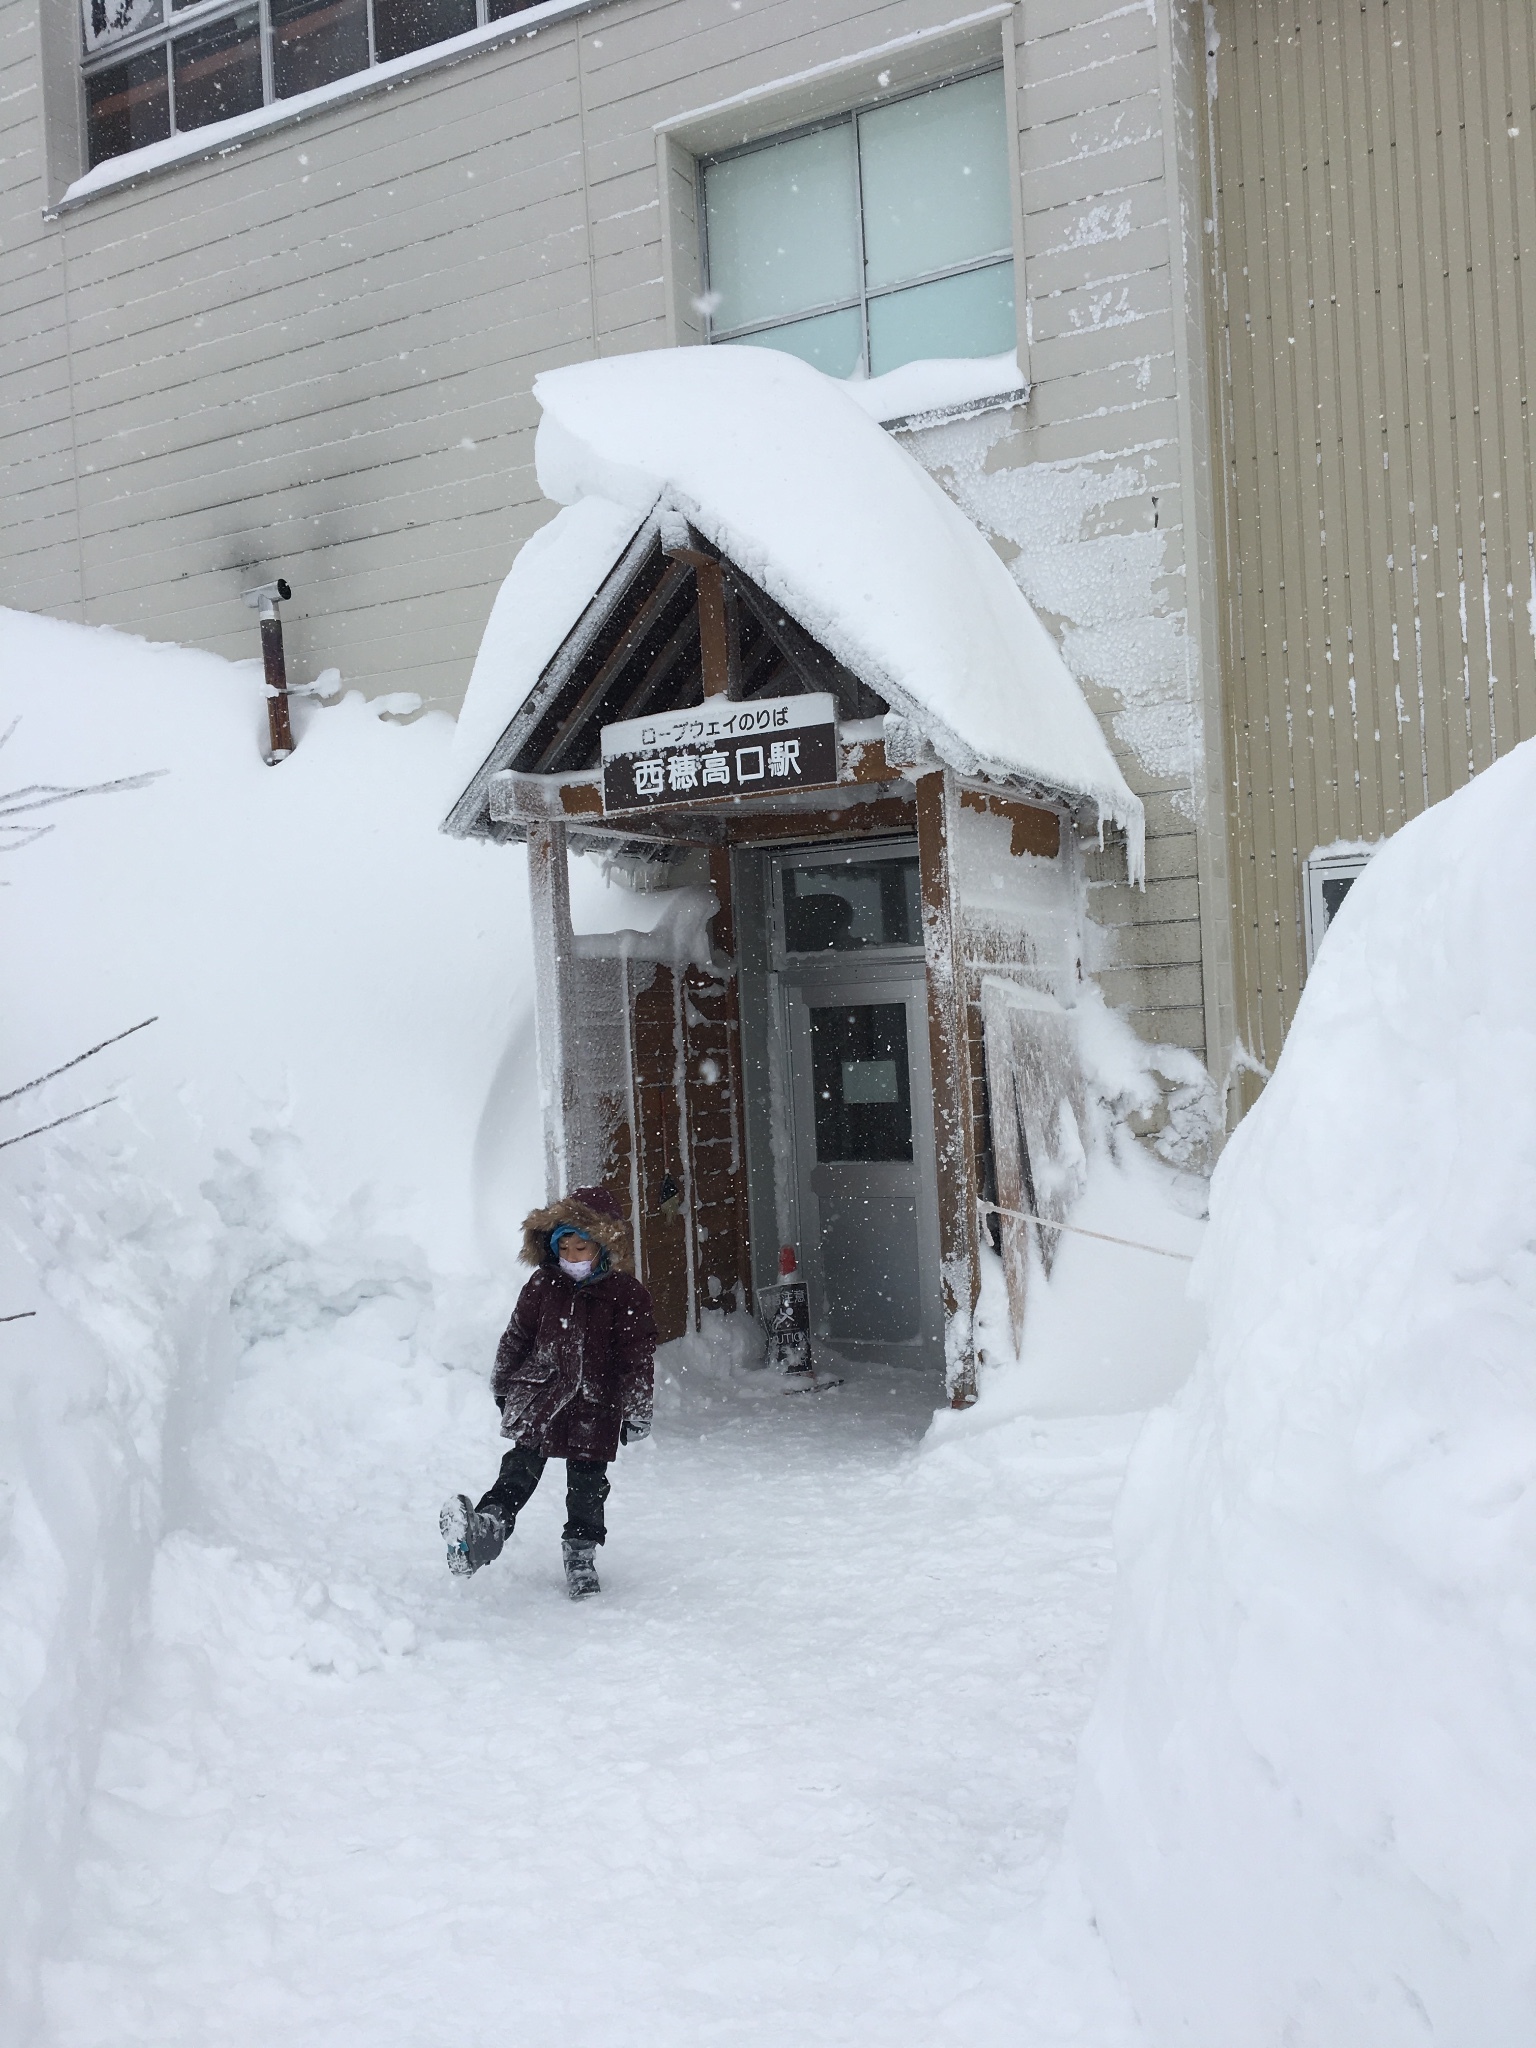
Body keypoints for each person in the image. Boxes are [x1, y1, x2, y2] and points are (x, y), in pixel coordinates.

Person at [440, 1186, 656, 1599]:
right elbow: (517, 1336)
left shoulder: (626, 1295)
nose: (573, 1258)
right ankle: (486, 1529)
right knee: (518, 1469)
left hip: (597, 1402)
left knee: (588, 1485)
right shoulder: (542, 1285)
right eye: (566, 1249)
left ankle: (580, 1554)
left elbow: (637, 1357)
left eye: (582, 1248)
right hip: (543, 1396)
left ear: (604, 1247)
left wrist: (638, 1407)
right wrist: (504, 1384)